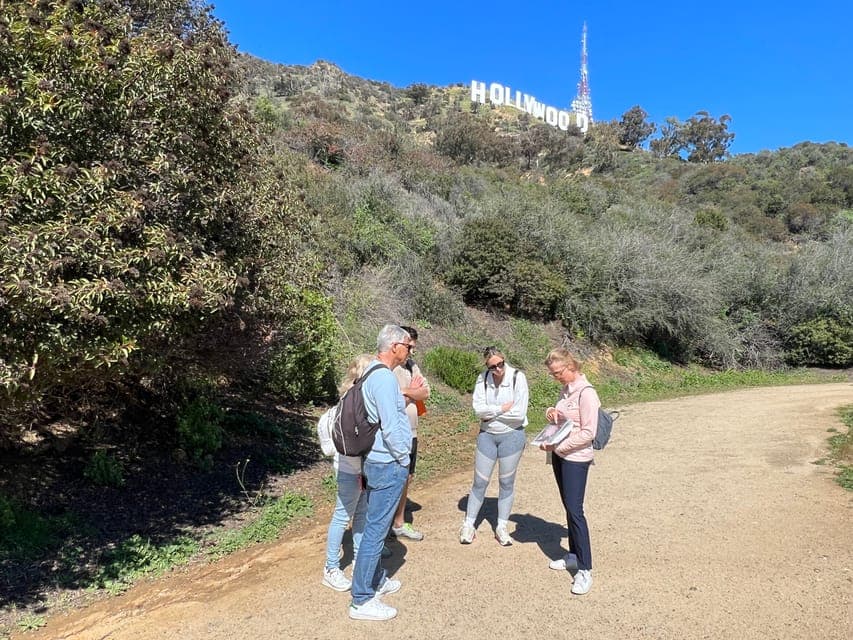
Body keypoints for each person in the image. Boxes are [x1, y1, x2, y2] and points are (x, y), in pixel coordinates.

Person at [348, 324, 413, 621]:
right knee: (376, 531)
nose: (410, 351)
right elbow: (391, 424)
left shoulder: (371, 372)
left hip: (374, 460)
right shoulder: (385, 378)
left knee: (374, 526)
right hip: (387, 463)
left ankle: (373, 580)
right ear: (394, 346)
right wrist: (403, 458)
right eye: (408, 346)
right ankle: (361, 599)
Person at [541, 348, 600, 596]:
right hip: (560, 456)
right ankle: (573, 556)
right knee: (568, 507)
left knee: (576, 512)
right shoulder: (566, 391)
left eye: (558, 373)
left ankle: (585, 569)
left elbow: (589, 432)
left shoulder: (587, 394)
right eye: (552, 374)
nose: (556, 378)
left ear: (570, 367)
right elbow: (564, 421)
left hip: (576, 458)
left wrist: (559, 446)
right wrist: (552, 413)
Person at [460, 346, 529, 546]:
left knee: (506, 483)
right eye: (493, 367)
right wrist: (500, 408)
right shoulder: (482, 379)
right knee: (479, 482)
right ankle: (469, 523)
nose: (498, 370)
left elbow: (519, 413)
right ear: (487, 367)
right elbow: (478, 411)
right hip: (487, 436)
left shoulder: (518, 377)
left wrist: (491, 413)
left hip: (512, 436)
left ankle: (501, 526)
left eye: (500, 364)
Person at [321, 354, 372, 592]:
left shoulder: (338, 408)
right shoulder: (348, 407)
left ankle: (360, 562)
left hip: (358, 471)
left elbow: (327, 448)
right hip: (350, 472)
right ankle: (331, 568)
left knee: (360, 515)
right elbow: (330, 445)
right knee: (343, 517)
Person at [389, 325, 430, 541]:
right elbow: (393, 402)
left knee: (406, 477)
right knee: (390, 479)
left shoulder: (412, 367)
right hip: (394, 433)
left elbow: (426, 391)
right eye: (409, 347)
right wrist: (410, 393)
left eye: (413, 347)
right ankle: (382, 526)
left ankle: (398, 522)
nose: (411, 352)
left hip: (411, 432)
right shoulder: (389, 369)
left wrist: (406, 391)